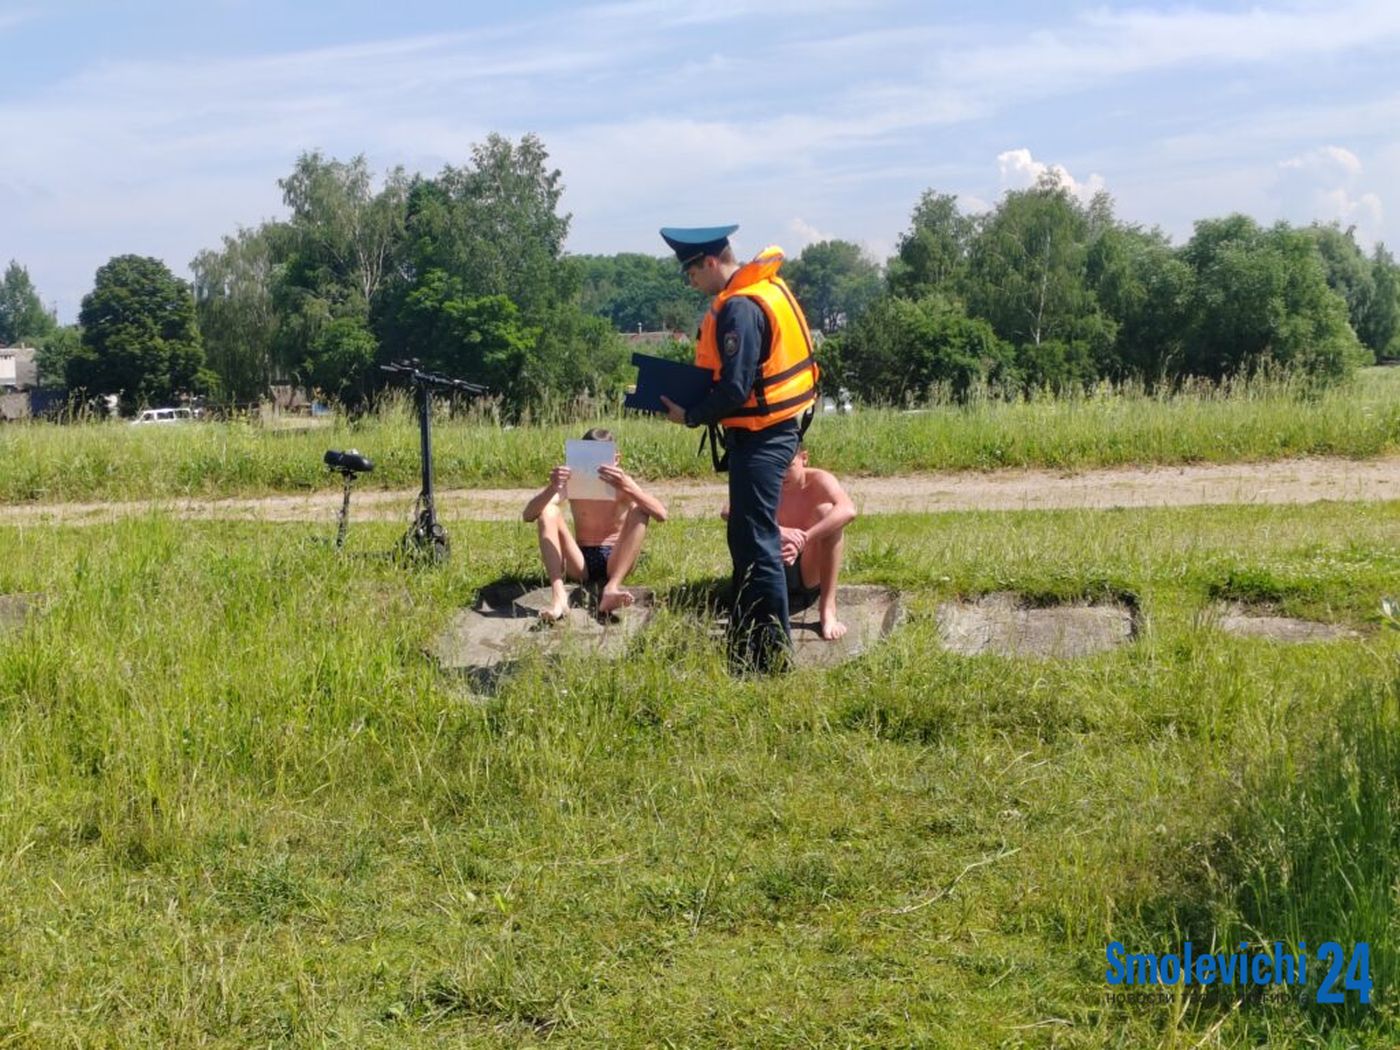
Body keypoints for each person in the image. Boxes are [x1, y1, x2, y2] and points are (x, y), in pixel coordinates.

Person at [656, 224, 820, 673]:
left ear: (710, 262)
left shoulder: (741, 308)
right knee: (747, 537)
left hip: (764, 437)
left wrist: (689, 415)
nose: (691, 282)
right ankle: (746, 642)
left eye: (690, 273)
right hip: (768, 431)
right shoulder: (759, 292)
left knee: (757, 541)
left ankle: (769, 659)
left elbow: (734, 387)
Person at [522, 427, 668, 622]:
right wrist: (552, 487)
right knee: (548, 511)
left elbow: (661, 514)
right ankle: (559, 595)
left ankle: (612, 587)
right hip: (580, 560)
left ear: (616, 459)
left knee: (641, 509)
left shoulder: (624, 484)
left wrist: (629, 490)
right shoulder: (574, 483)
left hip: (617, 558)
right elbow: (528, 515)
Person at [723, 444, 856, 641]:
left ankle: (827, 609)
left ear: (804, 458)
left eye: (788, 465)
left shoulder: (819, 480)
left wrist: (804, 538)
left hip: (808, 569)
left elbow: (848, 510)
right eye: (776, 466)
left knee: (827, 514)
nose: (782, 473)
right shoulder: (764, 479)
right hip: (773, 564)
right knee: (741, 520)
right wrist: (778, 531)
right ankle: (750, 598)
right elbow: (727, 510)